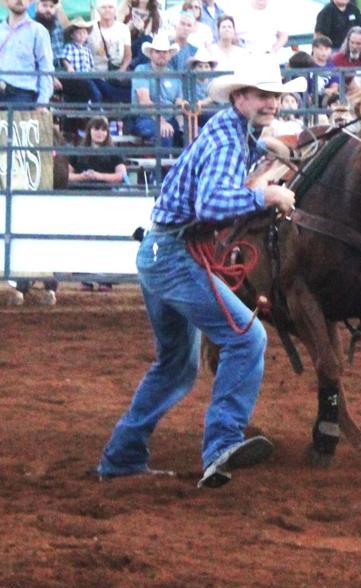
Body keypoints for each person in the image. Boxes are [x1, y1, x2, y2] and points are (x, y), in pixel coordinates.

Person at [96, 60, 304, 487]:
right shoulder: (229, 139)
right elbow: (211, 205)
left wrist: (267, 153)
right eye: (261, 95)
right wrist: (268, 192)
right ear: (239, 97)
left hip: (160, 252)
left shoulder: (233, 132)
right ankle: (222, 443)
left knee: (176, 364)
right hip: (175, 256)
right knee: (248, 338)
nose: (270, 103)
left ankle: (122, 457)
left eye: (274, 96)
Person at [130, 32, 183, 147]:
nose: (161, 55)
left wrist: (184, 124)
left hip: (171, 118)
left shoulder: (174, 75)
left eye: (165, 52)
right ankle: (165, 165)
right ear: (151, 54)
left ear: (169, 55)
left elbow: (178, 102)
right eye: (157, 51)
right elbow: (144, 101)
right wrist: (161, 121)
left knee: (193, 132)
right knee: (164, 133)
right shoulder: (141, 70)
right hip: (146, 118)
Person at [0, 0, 55, 105]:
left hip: (22, 94)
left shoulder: (39, 31)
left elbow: (46, 67)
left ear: (30, 2)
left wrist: (42, 102)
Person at [68, 115, 127, 188]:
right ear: (89, 131)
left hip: (105, 193)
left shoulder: (114, 152)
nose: (100, 133)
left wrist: (99, 176)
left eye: (103, 130)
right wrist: (82, 176)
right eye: (96, 129)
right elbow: (67, 175)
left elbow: (121, 175)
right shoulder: (78, 151)